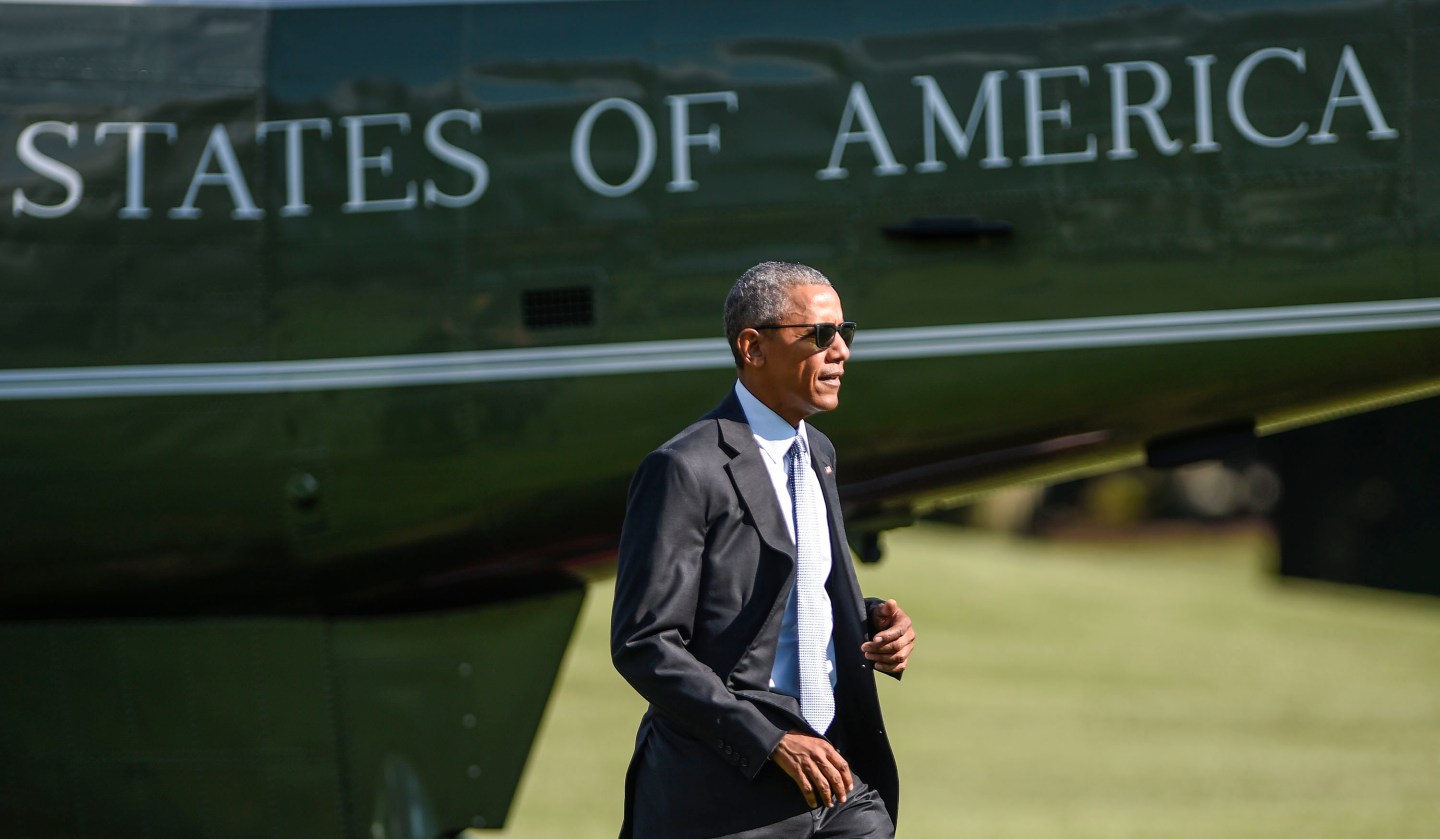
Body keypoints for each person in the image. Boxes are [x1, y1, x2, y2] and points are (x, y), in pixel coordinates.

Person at [611, 261, 916, 838]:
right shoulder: (682, 468)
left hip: (840, 780)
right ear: (752, 347)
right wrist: (770, 741)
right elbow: (645, 642)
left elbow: (783, 592)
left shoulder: (818, 452)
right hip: (723, 793)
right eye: (821, 336)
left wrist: (870, 620)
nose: (841, 353)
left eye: (844, 334)